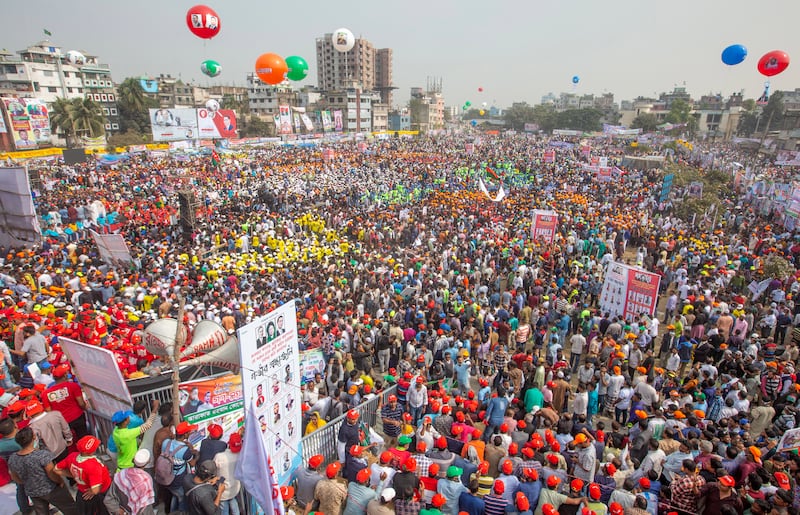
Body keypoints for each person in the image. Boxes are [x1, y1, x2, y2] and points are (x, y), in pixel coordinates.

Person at [8, 427, 79, 515]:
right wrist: (60, 481)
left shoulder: (13, 458)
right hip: (51, 489)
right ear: (33, 437)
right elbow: (51, 473)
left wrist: (27, 483)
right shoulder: (42, 455)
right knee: (70, 508)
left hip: (33, 492)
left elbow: (14, 477)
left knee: (42, 512)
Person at [55, 435, 111, 515]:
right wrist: (93, 491)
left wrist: (75, 476)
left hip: (82, 491)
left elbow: (56, 469)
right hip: (97, 495)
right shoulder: (93, 465)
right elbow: (95, 490)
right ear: (91, 451)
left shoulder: (72, 456)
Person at [160, 420, 199, 513]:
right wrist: (197, 455)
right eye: (189, 432)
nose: (190, 433)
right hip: (178, 480)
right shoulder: (185, 450)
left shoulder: (166, 442)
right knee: (182, 500)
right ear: (185, 435)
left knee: (175, 495)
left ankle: (172, 512)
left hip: (166, 477)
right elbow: (192, 463)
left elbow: (173, 450)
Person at [103, 448, 156, 515]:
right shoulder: (146, 479)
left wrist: (118, 510)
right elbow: (145, 504)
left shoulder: (121, 474)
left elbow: (108, 499)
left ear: (133, 460)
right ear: (148, 462)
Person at [43, 363, 88, 439]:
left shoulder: (46, 393)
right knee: (83, 438)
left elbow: (48, 411)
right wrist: (85, 407)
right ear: (64, 376)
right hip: (77, 417)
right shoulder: (73, 386)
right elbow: (81, 403)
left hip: (61, 422)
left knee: (68, 442)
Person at [111, 400, 160, 470]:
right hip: (129, 465)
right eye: (127, 417)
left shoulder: (116, 430)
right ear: (125, 421)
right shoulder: (128, 434)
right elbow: (147, 425)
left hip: (121, 462)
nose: (129, 417)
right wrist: (155, 409)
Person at [214, 433, 242, 515]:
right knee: (234, 505)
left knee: (224, 511)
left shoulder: (219, 457)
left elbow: (213, 469)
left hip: (223, 490)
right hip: (235, 488)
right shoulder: (241, 456)